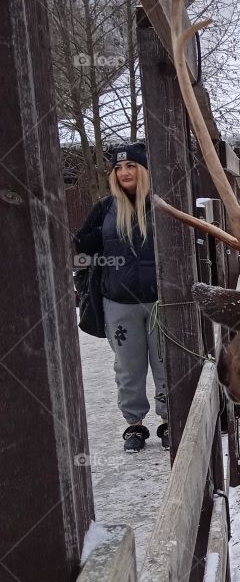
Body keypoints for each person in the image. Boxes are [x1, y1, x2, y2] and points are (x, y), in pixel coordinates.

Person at [74, 143, 169, 452]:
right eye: (118, 168)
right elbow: (82, 247)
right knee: (128, 366)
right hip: (118, 303)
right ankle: (134, 425)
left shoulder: (161, 205)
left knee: (164, 361)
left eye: (131, 166)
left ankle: (170, 420)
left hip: (159, 302)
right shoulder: (104, 208)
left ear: (142, 170)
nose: (124, 172)